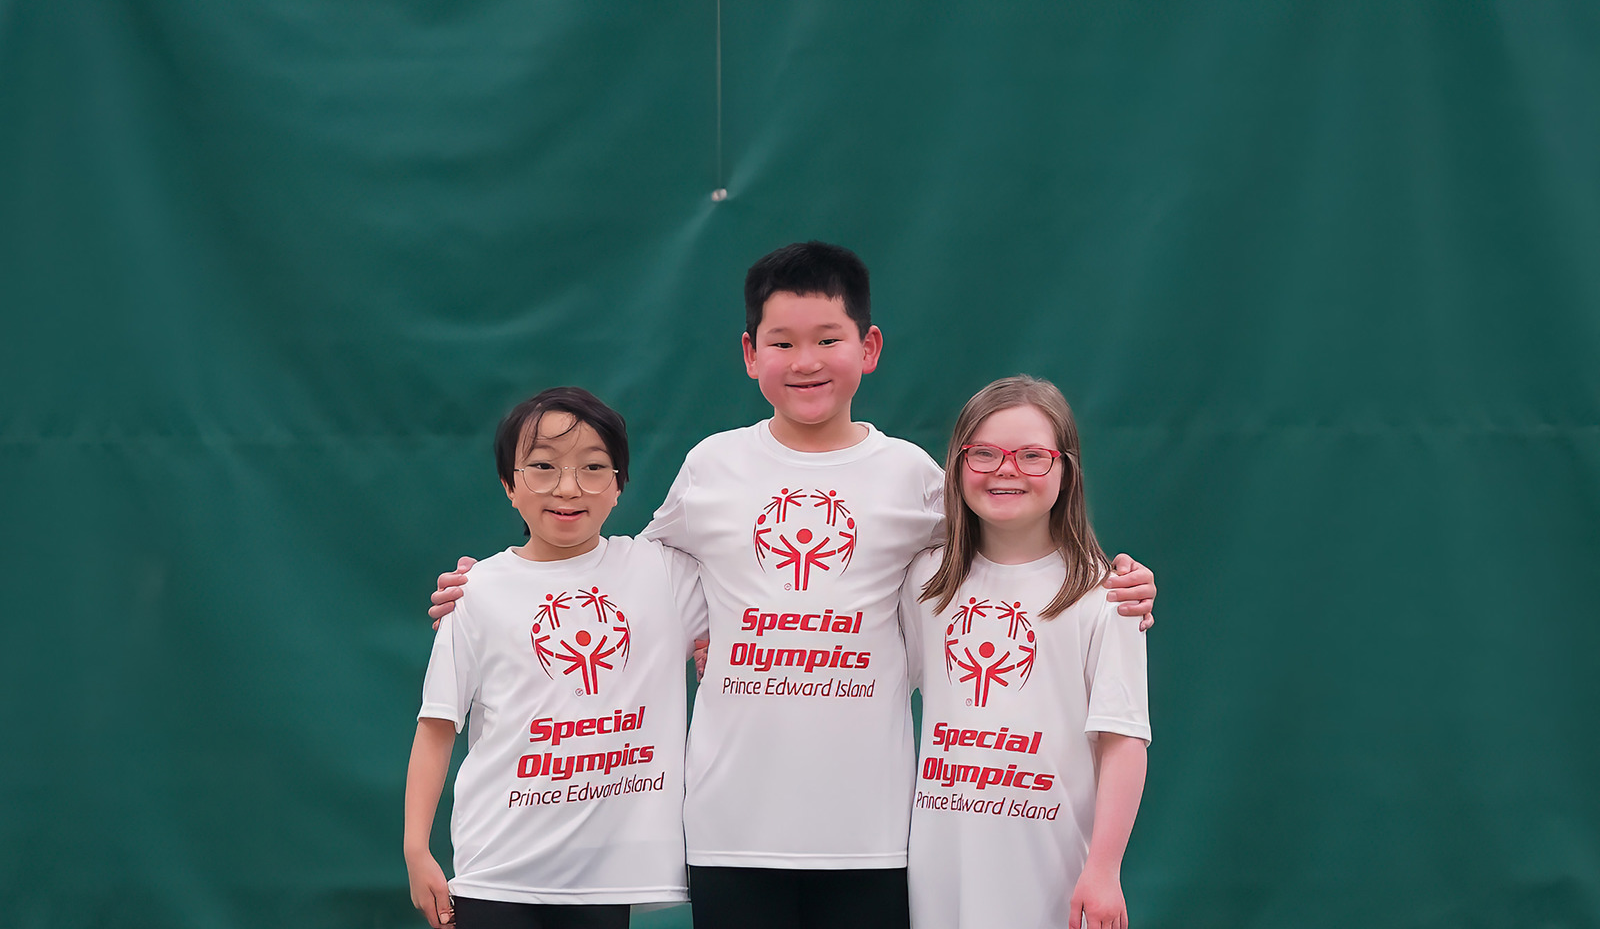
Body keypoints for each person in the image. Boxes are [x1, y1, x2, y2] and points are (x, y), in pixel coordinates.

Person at [431, 243, 1157, 929]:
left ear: (868, 349)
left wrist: (1115, 578)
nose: (805, 362)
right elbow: (620, 578)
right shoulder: (713, 468)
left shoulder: (912, 480)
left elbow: (1003, 556)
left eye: (828, 339)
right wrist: (500, 584)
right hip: (730, 829)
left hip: (875, 838)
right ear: (750, 355)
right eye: (781, 342)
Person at [404, 388, 705, 929]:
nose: (568, 488)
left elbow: (760, 602)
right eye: (542, 467)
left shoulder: (662, 576)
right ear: (508, 484)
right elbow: (437, 724)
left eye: (593, 468)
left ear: (620, 485)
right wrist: (415, 848)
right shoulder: (476, 591)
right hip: (496, 871)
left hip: (604, 879)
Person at [902, 376, 1149, 929]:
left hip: (1050, 877)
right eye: (984, 453)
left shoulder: (1105, 595)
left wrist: (1105, 869)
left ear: (1067, 471)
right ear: (956, 465)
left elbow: (1124, 741)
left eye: (1032, 455)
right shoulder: (925, 582)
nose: (1006, 469)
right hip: (940, 875)